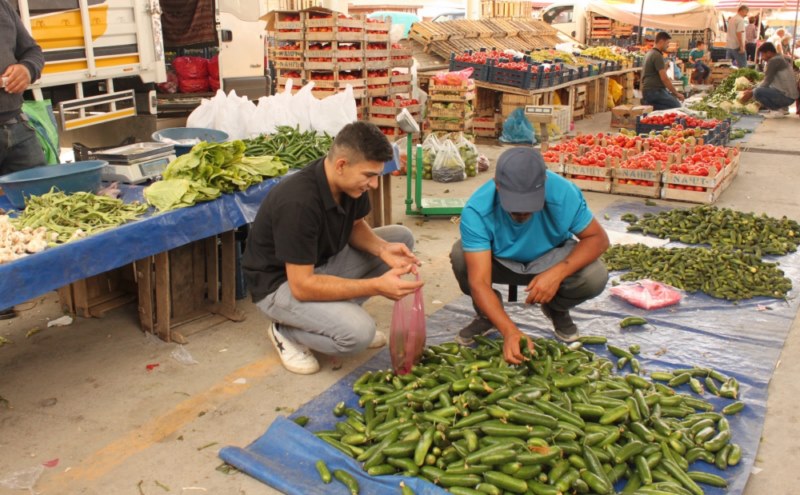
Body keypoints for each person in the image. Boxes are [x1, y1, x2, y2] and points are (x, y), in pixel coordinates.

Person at [242, 122, 422, 375]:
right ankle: (287, 332)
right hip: (280, 285)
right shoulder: (298, 203)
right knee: (358, 335)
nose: (374, 185)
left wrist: (382, 250)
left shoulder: (346, 184)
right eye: (369, 175)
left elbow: (355, 226)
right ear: (341, 165)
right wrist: (376, 286)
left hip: (319, 264)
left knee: (400, 238)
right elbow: (302, 286)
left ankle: (334, 317)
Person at [449, 148, 609, 364]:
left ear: (544, 185)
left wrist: (557, 273)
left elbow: (598, 239)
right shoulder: (477, 209)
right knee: (461, 257)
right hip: (500, 262)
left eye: (529, 205)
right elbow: (479, 282)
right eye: (514, 206)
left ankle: (556, 308)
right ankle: (488, 315)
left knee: (594, 276)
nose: (522, 212)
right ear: (497, 185)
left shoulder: (563, 193)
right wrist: (510, 331)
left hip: (551, 257)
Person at [1, 0, 46, 320]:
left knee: (44, 202)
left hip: (15, 125)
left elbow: (32, 51)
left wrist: (26, 69)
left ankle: (43, 279)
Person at [740, 42, 799, 117]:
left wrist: (751, 91)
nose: (762, 57)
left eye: (762, 54)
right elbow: (768, 81)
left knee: (757, 92)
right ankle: (782, 108)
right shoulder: (780, 58)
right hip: (789, 96)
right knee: (758, 90)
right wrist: (752, 88)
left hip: (787, 97)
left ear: (768, 53)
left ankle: (776, 110)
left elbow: (766, 82)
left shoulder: (774, 61)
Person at [641, 31, 685, 110]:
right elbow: (664, 78)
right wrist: (676, 93)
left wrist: (665, 68)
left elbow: (652, 72)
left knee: (662, 109)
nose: (668, 45)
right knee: (677, 106)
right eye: (667, 43)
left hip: (648, 91)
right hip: (654, 91)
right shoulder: (657, 55)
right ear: (661, 42)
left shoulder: (649, 53)